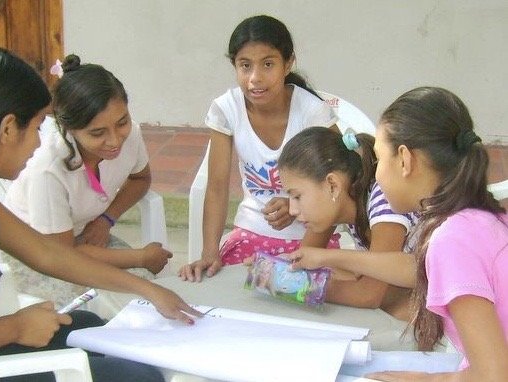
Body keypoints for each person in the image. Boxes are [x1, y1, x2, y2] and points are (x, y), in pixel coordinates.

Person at [0, 47, 201, 382]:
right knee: (139, 377)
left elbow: (48, 253)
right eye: (36, 127)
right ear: (7, 129)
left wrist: (147, 290)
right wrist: (15, 326)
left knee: (91, 327)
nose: (38, 143)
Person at [179, 15, 339, 282]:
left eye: (268, 64)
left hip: (311, 236)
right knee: (234, 294)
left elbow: (341, 182)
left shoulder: (312, 112)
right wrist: (209, 252)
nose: (255, 78)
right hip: (251, 231)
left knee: (303, 295)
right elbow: (217, 187)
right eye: (245, 65)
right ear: (234, 66)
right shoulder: (226, 109)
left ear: (288, 64)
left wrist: (296, 204)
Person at [364, 87, 508, 381]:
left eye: (379, 159)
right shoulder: (486, 219)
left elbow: (493, 376)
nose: (376, 174)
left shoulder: (452, 239)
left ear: (404, 159)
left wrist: (429, 380)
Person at [4, 54, 170, 307]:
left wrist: (106, 219)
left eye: (121, 122)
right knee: (90, 309)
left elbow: (140, 178)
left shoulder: (131, 134)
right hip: (37, 256)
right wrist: (141, 256)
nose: (115, 140)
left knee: (143, 293)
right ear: (69, 129)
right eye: (97, 133)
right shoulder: (48, 170)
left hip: (80, 240)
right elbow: (61, 257)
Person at [277, 126, 417, 320]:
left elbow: (369, 295)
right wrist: (269, 267)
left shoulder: (383, 199)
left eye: (297, 196)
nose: (292, 210)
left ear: (333, 185)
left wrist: (294, 286)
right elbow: (304, 261)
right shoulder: (338, 205)